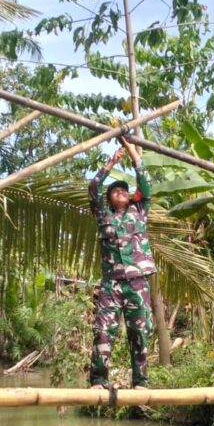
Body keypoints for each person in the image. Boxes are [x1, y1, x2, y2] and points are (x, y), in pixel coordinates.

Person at [87, 138, 155, 389]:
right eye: (116, 190)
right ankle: (99, 380)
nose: (121, 192)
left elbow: (146, 186)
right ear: (110, 198)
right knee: (104, 331)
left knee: (140, 333)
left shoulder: (140, 210)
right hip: (111, 285)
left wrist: (132, 152)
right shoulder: (102, 214)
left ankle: (141, 382)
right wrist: (112, 163)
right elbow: (94, 187)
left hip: (138, 282)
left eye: (124, 190)